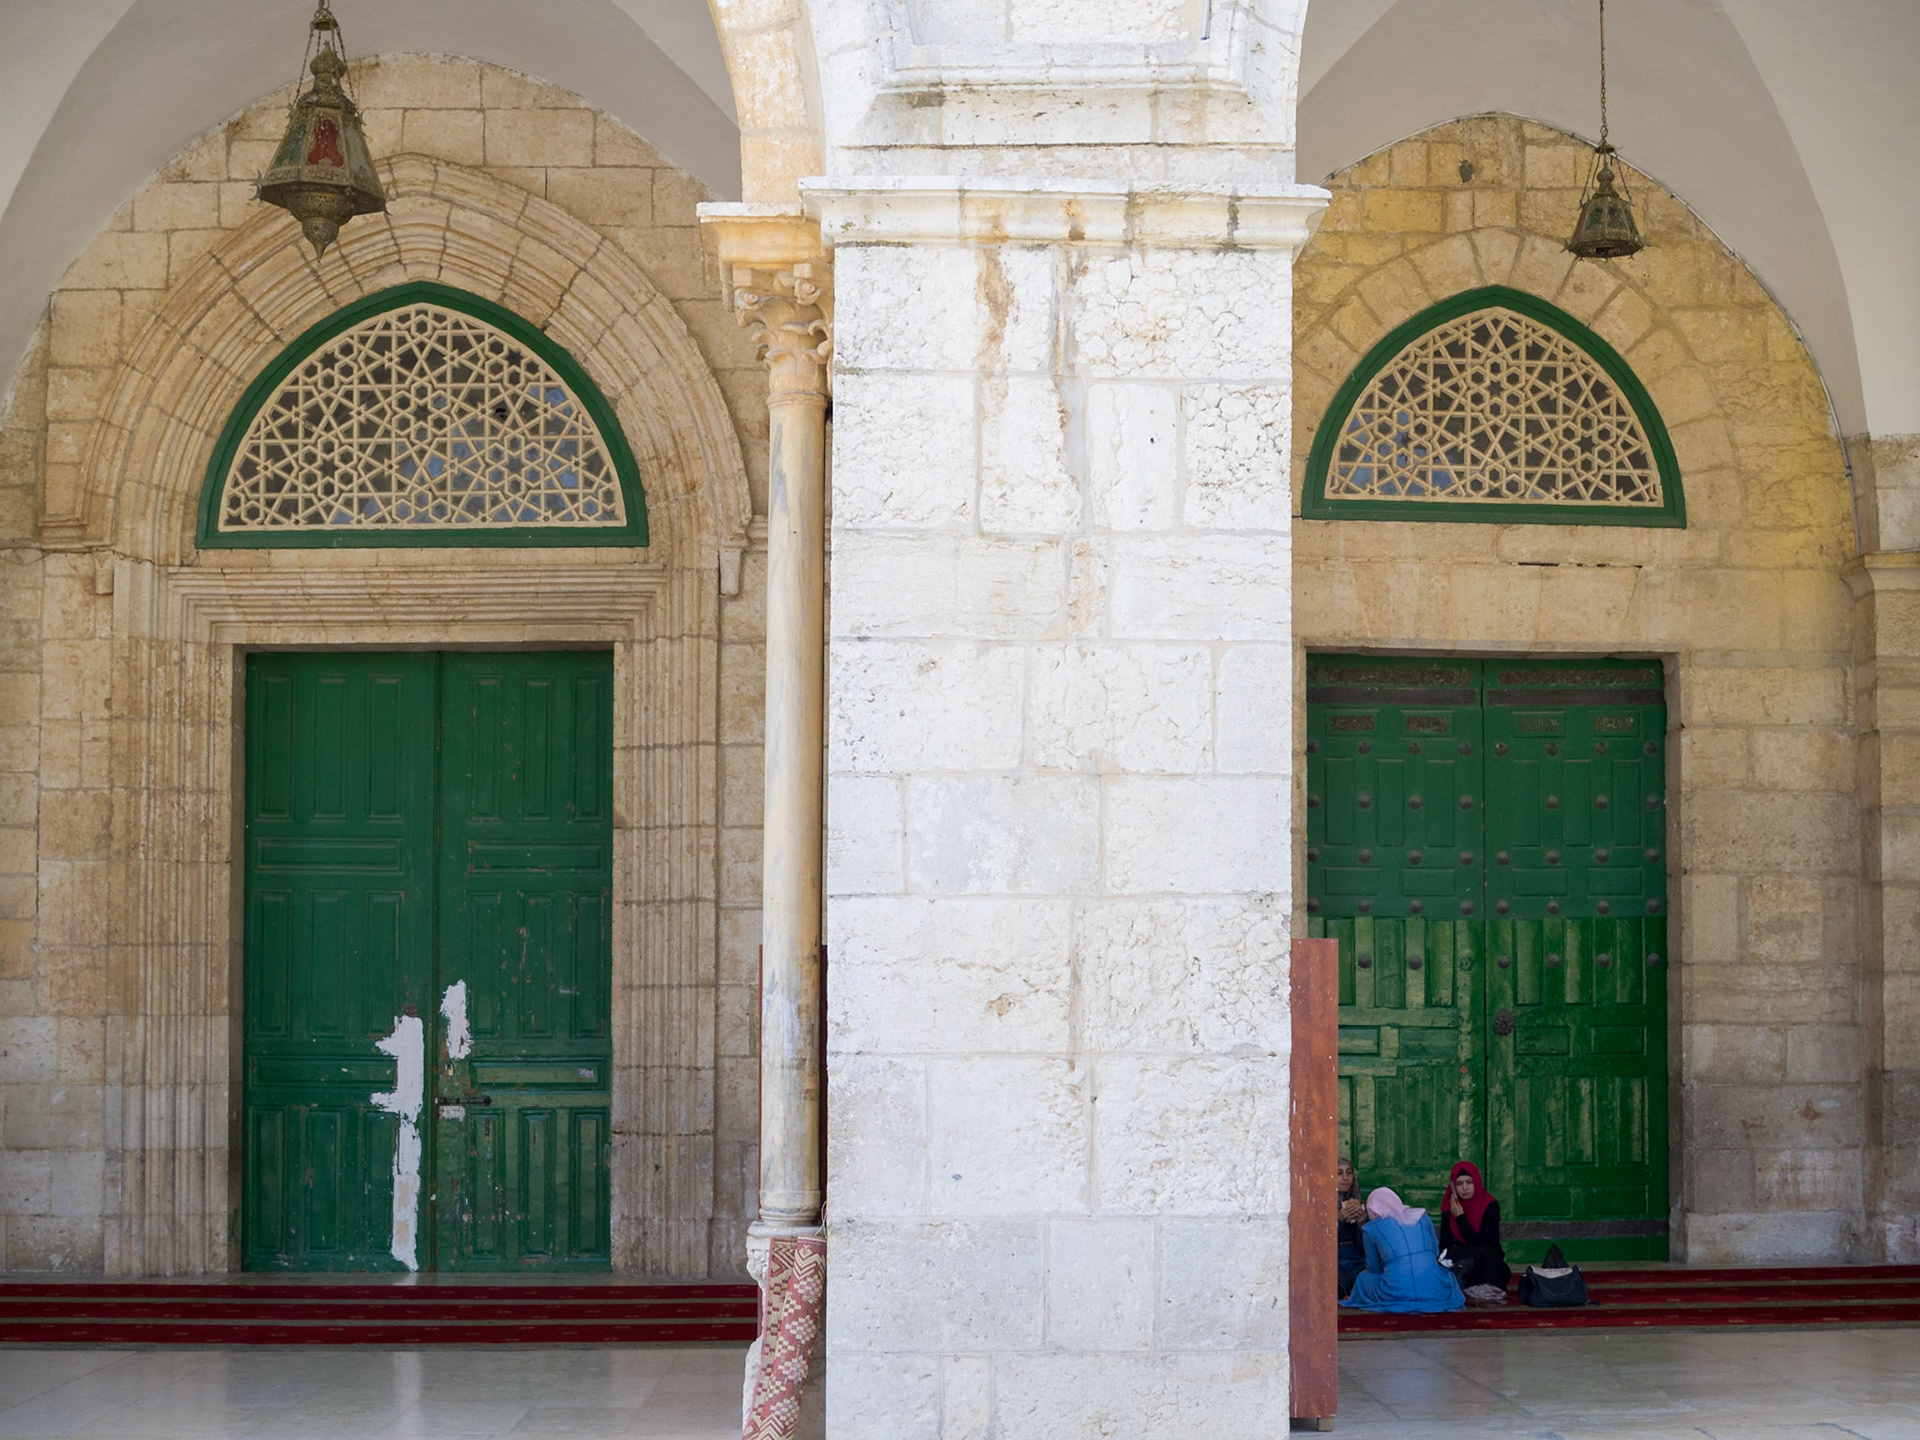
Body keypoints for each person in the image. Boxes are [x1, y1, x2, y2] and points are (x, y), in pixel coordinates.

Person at [1339, 1187, 1464, 1314]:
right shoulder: (1422, 1216)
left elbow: (1374, 1268)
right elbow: (1435, 1253)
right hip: (1434, 1289)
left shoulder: (1371, 1228)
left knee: (1363, 1278)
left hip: (1395, 1292)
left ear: (1372, 1210)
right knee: (1448, 1276)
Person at [1439, 1160, 1511, 1300]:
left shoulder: (1489, 1206)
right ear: (1453, 1186)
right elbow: (1444, 1246)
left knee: (1486, 1253)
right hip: (1462, 1262)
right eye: (1459, 1184)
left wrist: (1460, 1218)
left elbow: (1486, 1246)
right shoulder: (1450, 1207)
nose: (1465, 1188)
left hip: (1488, 1262)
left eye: (1469, 1182)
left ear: (1476, 1182)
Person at [1336, 1157, 1367, 1298]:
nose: (1345, 1178)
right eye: (1339, 1173)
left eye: (1349, 1173)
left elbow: (1364, 1247)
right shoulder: (1320, 1203)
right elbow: (1317, 1242)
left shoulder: (1357, 1202)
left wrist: (1362, 1224)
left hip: (1356, 1263)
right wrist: (1338, 1220)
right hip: (1335, 1262)